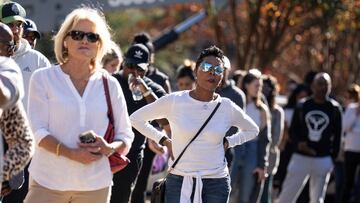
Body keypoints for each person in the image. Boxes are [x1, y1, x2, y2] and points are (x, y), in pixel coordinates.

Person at [24, 7, 134, 203]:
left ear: (100, 45)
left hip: (95, 185)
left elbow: (125, 135)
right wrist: (72, 154)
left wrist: (108, 148)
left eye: (92, 37)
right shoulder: (43, 78)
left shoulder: (110, 84)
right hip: (47, 182)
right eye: (77, 34)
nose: (85, 40)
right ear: (65, 40)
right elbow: (37, 130)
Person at [130, 45, 259, 203]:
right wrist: (163, 140)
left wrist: (230, 142)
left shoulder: (226, 106)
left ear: (222, 76)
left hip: (216, 183)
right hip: (179, 180)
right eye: (206, 67)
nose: (212, 72)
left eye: (218, 69)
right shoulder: (176, 100)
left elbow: (253, 130)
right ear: (196, 70)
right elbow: (135, 119)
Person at [111, 43, 167, 203]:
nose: (134, 72)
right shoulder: (111, 81)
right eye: (130, 66)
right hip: (106, 149)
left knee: (120, 198)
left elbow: (163, 119)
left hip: (132, 153)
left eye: (140, 68)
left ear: (147, 68)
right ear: (124, 63)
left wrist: (145, 91)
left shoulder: (152, 87)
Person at [277, 72, 342, 203]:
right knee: (287, 196)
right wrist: (299, 144)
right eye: (320, 84)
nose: (323, 87)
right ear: (312, 86)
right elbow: (294, 130)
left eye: (326, 84)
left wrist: (331, 158)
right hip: (300, 157)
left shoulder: (334, 108)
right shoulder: (302, 105)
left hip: (322, 158)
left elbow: (338, 135)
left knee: (317, 199)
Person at [0, 1, 50, 110]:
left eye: (19, 25)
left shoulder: (39, 61)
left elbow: (52, 101)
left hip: (25, 126)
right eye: (10, 24)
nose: (16, 30)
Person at [231, 70, 271, 203]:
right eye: (256, 85)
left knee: (246, 193)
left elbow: (265, 139)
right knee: (228, 188)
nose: (259, 89)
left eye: (260, 86)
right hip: (236, 147)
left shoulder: (262, 109)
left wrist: (262, 164)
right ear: (247, 85)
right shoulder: (237, 105)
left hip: (253, 150)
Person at [216, 56, 246, 169]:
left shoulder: (237, 95)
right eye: (217, 69)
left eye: (223, 70)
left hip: (225, 148)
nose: (220, 73)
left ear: (228, 71)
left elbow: (237, 125)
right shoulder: (207, 91)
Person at [260, 74, 284, 203]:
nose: (265, 91)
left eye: (269, 88)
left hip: (269, 157)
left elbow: (276, 139)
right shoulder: (255, 108)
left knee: (265, 193)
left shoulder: (277, 112)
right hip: (253, 155)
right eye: (263, 87)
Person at [341, 84, 360, 203]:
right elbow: (345, 127)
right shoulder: (352, 109)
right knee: (349, 180)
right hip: (351, 150)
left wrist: (355, 130)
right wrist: (355, 115)